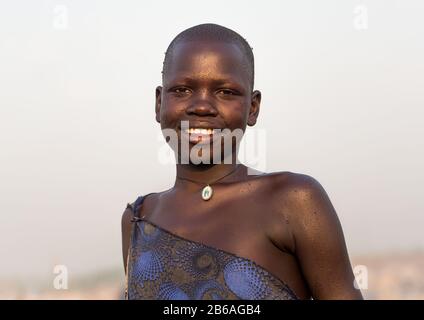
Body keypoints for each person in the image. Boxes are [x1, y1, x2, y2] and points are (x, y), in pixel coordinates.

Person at [121, 23, 363, 300]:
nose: (201, 106)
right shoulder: (139, 219)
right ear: (159, 103)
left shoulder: (293, 201)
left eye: (225, 92)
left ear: (252, 107)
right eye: (182, 90)